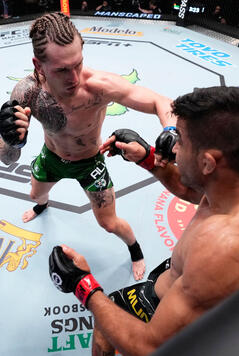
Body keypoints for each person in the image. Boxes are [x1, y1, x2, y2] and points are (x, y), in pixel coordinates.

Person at [49, 86, 239, 355]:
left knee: (105, 320)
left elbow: (149, 346)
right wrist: (148, 159)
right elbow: (194, 191)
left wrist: (83, 286)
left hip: (191, 304)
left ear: (208, 163)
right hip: (187, 276)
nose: (174, 148)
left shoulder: (222, 249)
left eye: (181, 141)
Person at [0, 12, 174, 281]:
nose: (74, 78)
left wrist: (171, 131)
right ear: (39, 64)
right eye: (61, 70)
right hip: (51, 157)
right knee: (35, 197)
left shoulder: (99, 87)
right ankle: (43, 206)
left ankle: (135, 249)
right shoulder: (27, 92)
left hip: (89, 163)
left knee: (108, 223)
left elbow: (159, 102)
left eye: (78, 64)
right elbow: (8, 159)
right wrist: (11, 140)